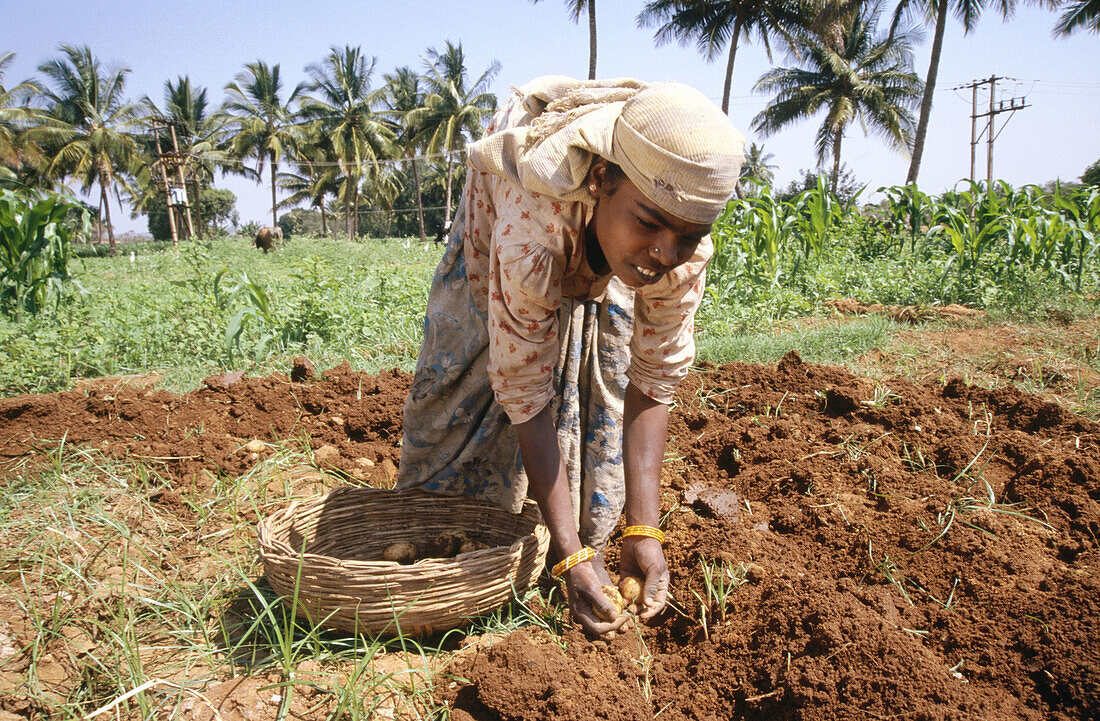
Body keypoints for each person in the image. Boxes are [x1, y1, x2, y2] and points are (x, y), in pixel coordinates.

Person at [398, 75, 745, 636]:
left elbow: (653, 376)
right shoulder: (534, 217)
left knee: (602, 365)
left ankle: (592, 539)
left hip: (589, 232)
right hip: (512, 221)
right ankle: (495, 541)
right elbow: (522, 381)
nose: (664, 252)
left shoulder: (679, 250)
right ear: (602, 178)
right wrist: (567, 554)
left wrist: (644, 530)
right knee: (480, 362)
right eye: (648, 223)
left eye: (687, 234)